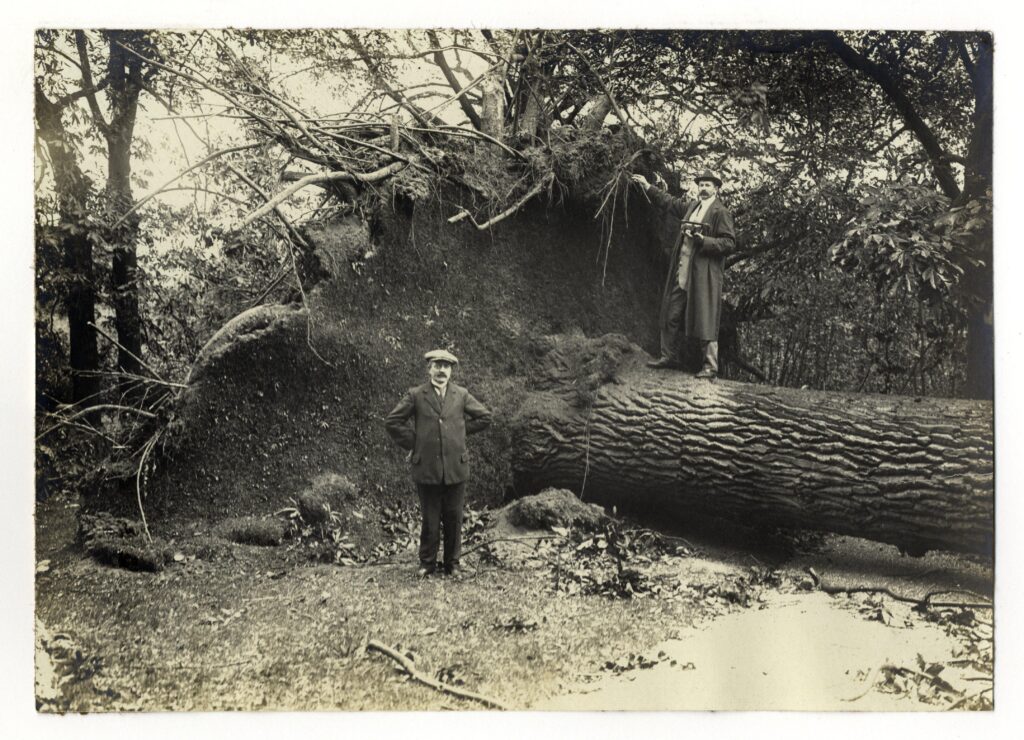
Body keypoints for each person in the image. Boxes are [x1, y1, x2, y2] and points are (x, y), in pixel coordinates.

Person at [384, 349, 492, 577]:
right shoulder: (416, 394)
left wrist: (459, 432)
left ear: (451, 370)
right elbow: (393, 421)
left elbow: (485, 417)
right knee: (430, 519)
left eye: (446, 366)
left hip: (456, 467)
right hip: (427, 467)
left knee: (454, 518)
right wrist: (416, 442)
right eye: (438, 365)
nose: (442, 370)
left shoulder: (461, 394)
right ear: (429, 369)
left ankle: (453, 564)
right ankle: (427, 563)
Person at [630, 170, 736, 378]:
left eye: (708, 185)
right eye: (701, 184)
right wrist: (648, 187)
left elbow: (729, 242)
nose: (703, 188)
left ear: (716, 189)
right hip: (682, 270)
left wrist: (704, 240)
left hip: (703, 274)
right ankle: (667, 356)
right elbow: (669, 202)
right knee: (671, 312)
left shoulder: (720, 212)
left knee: (705, 316)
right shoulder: (692, 207)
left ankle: (710, 366)